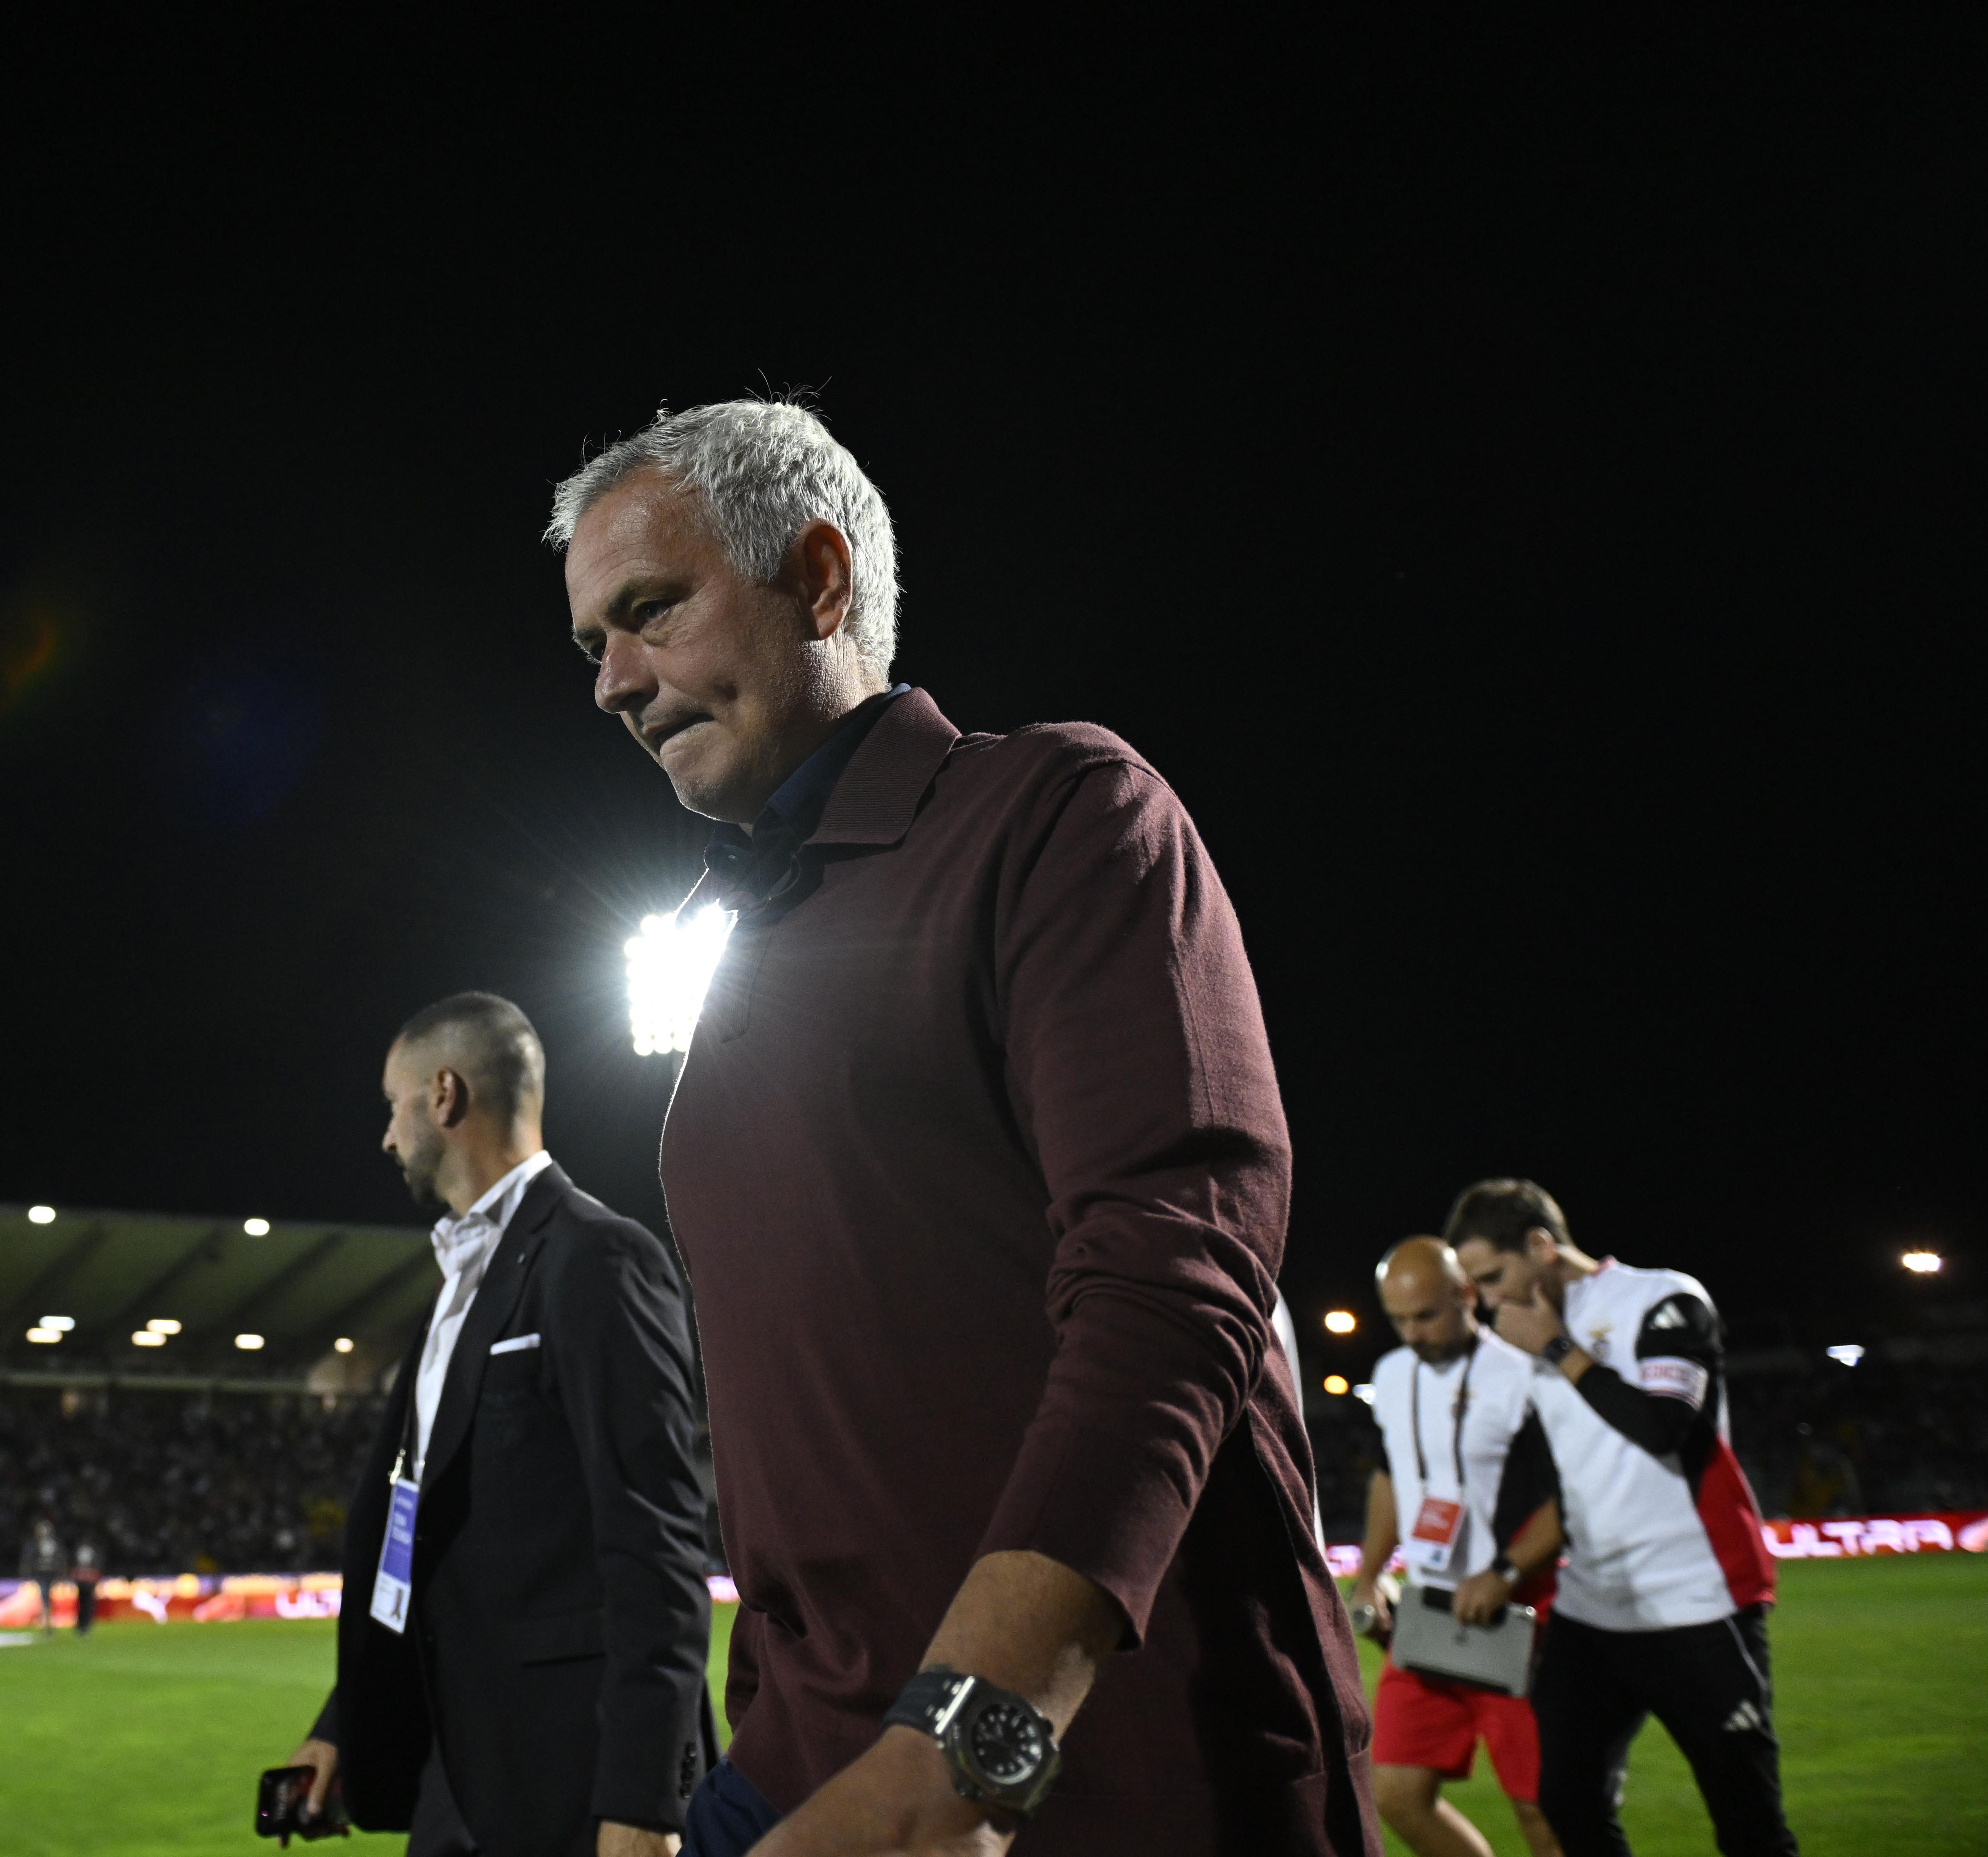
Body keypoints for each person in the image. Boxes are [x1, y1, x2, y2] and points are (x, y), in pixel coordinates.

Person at [547, 398, 1372, 1857]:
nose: (611, 681)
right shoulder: (747, 941)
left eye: (649, 609)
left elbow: (1170, 1282)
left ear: (818, 577)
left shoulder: (1055, 811)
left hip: (1087, 1782)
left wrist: (960, 1754)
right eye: (589, 644)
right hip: (788, 1770)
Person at [279, 992, 715, 1857]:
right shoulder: (457, 1287)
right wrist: (343, 1725)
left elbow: (656, 1539)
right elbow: (424, 1539)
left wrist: (644, 1794)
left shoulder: (599, 1257)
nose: (387, 1136)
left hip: (574, 1778)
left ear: (443, 1094)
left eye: (393, 1105)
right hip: (457, 1770)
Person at [1445, 1179, 1796, 1857]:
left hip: (1696, 1599)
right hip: (1593, 1607)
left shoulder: (1661, 1298)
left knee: (1749, 1826)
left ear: (1541, 1246)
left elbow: (1663, 1428)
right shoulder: (1523, 1337)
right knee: (1565, 1805)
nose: (1488, 1300)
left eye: (1492, 1277)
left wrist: (1557, 1348)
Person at [1352, 1238, 1564, 1857]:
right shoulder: (1391, 1375)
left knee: (1542, 1809)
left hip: (1520, 1613)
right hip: (1428, 1613)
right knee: (1394, 1792)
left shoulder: (1523, 1374)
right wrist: (1368, 1575)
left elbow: (1569, 1497)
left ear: (1466, 1295)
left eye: (1426, 1315)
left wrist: (1503, 1572)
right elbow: (1390, 1478)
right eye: (1398, 1319)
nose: (1413, 1333)